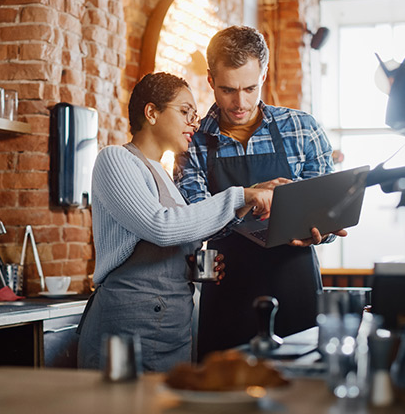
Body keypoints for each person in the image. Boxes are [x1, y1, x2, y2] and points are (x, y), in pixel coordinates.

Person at [77, 72, 273, 372]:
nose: (194, 123)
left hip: (171, 330)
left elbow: (169, 239)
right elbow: (161, 227)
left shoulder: (164, 176)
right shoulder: (114, 159)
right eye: (185, 112)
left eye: (195, 115)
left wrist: (191, 267)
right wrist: (240, 196)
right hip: (127, 330)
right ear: (151, 112)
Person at [175, 25, 347, 359]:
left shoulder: (303, 129)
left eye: (250, 88)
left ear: (264, 75)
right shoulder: (192, 143)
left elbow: (327, 212)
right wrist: (248, 197)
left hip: (295, 283)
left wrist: (323, 230)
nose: (240, 102)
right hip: (228, 291)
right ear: (210, 80)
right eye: (227, 90)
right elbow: (194, 222)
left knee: (301, 384)